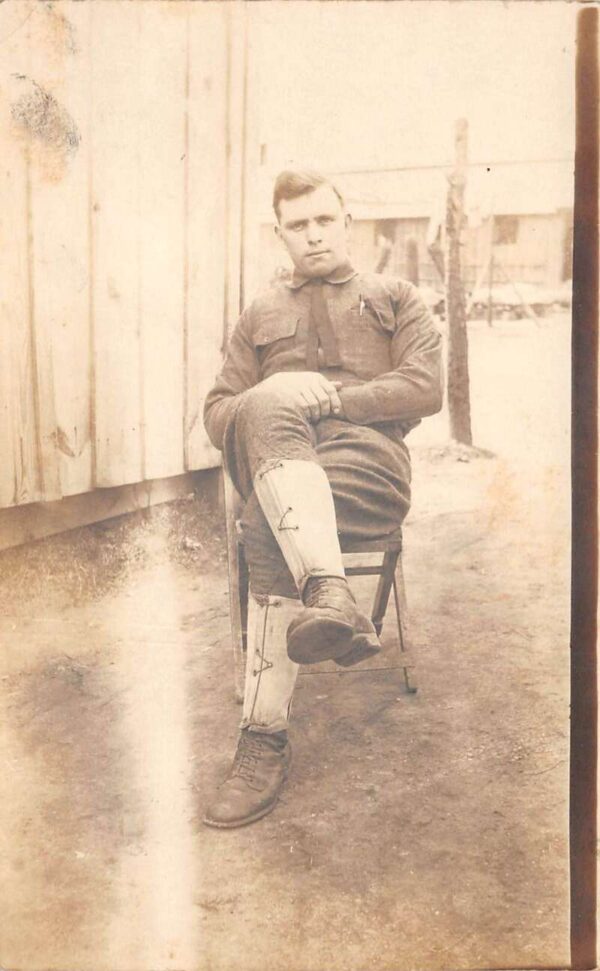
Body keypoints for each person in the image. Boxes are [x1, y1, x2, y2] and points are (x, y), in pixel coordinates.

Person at [202, 169, 443, 828]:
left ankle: (262, 741)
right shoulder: (259, 314)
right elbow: (219, 411)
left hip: (368, 468)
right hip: (281, 461)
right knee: (268, 424)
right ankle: (331, 598)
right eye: (297, 225)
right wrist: (273, 397)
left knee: (265, 524)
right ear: (280, 234)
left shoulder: (397, 297)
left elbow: (425, 387)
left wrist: (334, 397)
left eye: (323, 220)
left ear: (347, 223)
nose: (312, 235)